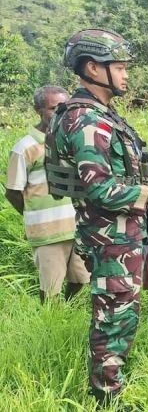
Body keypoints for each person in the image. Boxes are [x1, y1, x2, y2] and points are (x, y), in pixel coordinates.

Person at [45, 29, 148, 406]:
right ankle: (107, 396)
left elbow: (115, 177)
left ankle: (112, 380)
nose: (126, 75)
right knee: (112, 319)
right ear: (91, 68)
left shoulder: (100, 114)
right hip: (110, 238)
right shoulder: (87, 120)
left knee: (120, 315)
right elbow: (101, 190)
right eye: (118, 67)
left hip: (117, 234)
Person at [6, 86, 90, 302]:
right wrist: (34, 215)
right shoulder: (24, 147)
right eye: (54, 108)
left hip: (77, 226)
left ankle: (67, 310)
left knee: (81, 278)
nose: (61, 113)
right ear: (38, 110)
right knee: (50, 286)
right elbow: (13, 192)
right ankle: (50, 320)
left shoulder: (72, 141)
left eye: (65, 107)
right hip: (47, 230)